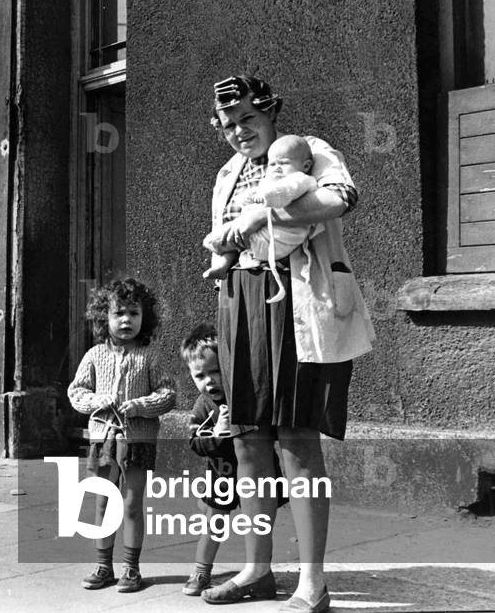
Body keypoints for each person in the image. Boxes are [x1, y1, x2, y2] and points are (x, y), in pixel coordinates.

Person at [200, 75, 375, 613]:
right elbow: (225, 240)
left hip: (297, 301)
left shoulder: (310, 151)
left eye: (247, 120)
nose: (238, 133)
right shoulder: (228, 172)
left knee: (297, 440)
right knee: (249, 440)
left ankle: (312, 581)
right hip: (242, 301)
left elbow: (340, 199)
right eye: (229, 125)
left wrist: (265, 213)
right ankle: (256, 569)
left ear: (270, 112)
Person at [67, 278, 176, 593]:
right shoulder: (94, 355)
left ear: (146, 318)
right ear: (105, 319)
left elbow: (168, 393)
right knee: (103, 502)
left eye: (134, 313)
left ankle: (131, 567)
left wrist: (141, 405)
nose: (127, 320)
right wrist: (95, 401)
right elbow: (76, 391)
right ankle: (103, 565)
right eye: (119, 313)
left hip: (138, 441)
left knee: (131, 503)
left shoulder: (150, 356)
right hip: (103, 441)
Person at [180, 323, 287, 597]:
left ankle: (260, 569)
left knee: (260, 521)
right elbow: (196, 443)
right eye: (200, 375)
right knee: (214, 524)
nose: (210, 381)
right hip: (223, 476)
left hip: (256, 473)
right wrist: (218, 434)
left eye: (216, 371)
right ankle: (201, 570)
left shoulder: (245, 397)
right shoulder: (203, 406)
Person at [203, 135, 321, 300]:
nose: (277, 168)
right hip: (260, 239)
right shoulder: (269, 179)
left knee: (234, 239)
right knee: (233, 239)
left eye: (284, 163)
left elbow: (285, 193)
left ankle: (225, 245)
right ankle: (222, 265)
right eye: (272, 164)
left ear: (306, 165)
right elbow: (254, 193)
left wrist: (264, 197)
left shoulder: (301, 179)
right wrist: (249, 197)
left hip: (280, 237)